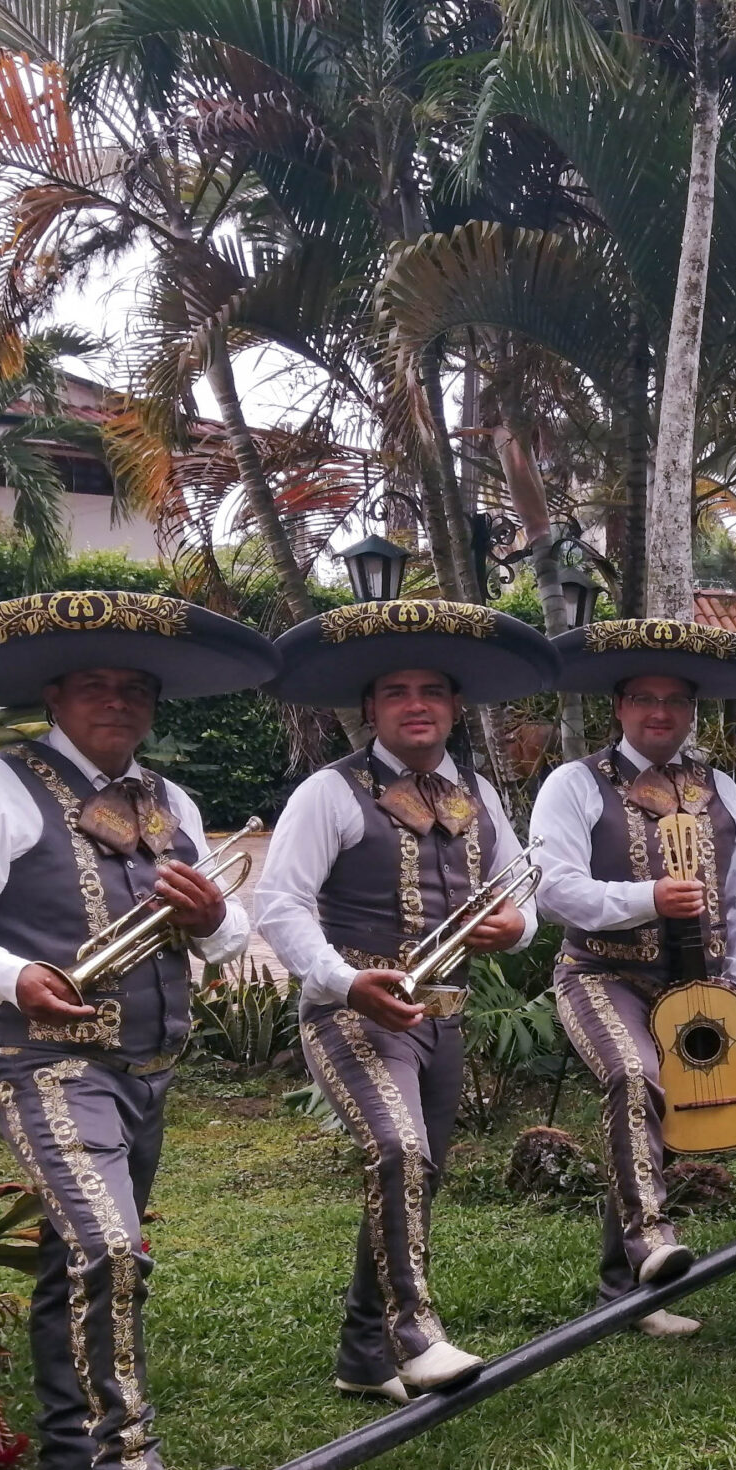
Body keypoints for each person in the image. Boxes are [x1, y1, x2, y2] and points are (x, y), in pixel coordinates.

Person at [0, 590, 280, 1470]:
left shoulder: (170, 800)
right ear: (55, 695)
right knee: (110, 1246)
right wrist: (13, 974)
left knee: (79, 1250)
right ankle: (125, 1457)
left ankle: (67, 1453)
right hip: (44, 1061)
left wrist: (212, 918)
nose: (117, 700)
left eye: (135, 687)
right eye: (95, 684)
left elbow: (230, 940)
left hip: (149, 1065)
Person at [255, 599, 558, 1404]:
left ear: (454, 706)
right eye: (396, 692)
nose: (416, 705)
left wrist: (516, 927)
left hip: (445, 1017)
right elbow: (279, 904)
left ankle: (362, 1357)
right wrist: (343, 981)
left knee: (418, 1176)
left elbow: (522, 887)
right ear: (370, 708)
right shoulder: (329, 792)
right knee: (398, 1152)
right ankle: (413, 1333)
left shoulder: (478, 792)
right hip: (353, 1010)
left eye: (431, 691)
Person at [529, 619, 736, 1337]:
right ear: (620, 706)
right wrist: (648, 898)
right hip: (600, 973)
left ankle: (624, 1293)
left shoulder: (721, 787)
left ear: (692, 711)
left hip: (696, 987)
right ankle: (651, 1241)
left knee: (661, 1116)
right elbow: (553, 890)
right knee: (634, 1076)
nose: (660, 712)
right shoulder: (575, 783)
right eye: (644, 698)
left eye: (676, 700)